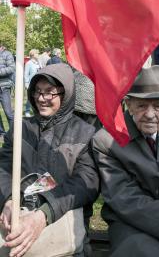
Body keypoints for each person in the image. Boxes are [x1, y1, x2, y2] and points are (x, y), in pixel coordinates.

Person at [92, 65, 159, 257]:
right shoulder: (107, 140)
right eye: (142, 105)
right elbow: (124, 199)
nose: (150, 114)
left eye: (158, 106)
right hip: (132, 224)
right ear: (128, 104)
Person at [0, 64, 99, 257]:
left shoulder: (85, 133)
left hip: (63, 228)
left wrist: (45, 213)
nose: (41, 98)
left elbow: (86, 183)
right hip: (16, 220)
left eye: (49, 93)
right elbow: (3, 168)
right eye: (37, 91)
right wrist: (9, 199)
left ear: (66, 94)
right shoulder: (21, 128)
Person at [0, 42, 15, 138]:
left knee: (8, 112)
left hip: (4, 87)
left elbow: (12, 68)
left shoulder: (7, 54)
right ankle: (1, 133)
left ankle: (14, 133)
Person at [24, 49, 40, 117]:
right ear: (33, 55)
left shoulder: (38, 62)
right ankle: (27, 111)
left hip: (39, 84)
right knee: (30, 98)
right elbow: (26, 75)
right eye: (37, 53)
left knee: (38, 98)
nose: (38, 55)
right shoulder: (29, 63)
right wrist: (26, 84)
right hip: (31, 83)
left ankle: (37, 111)